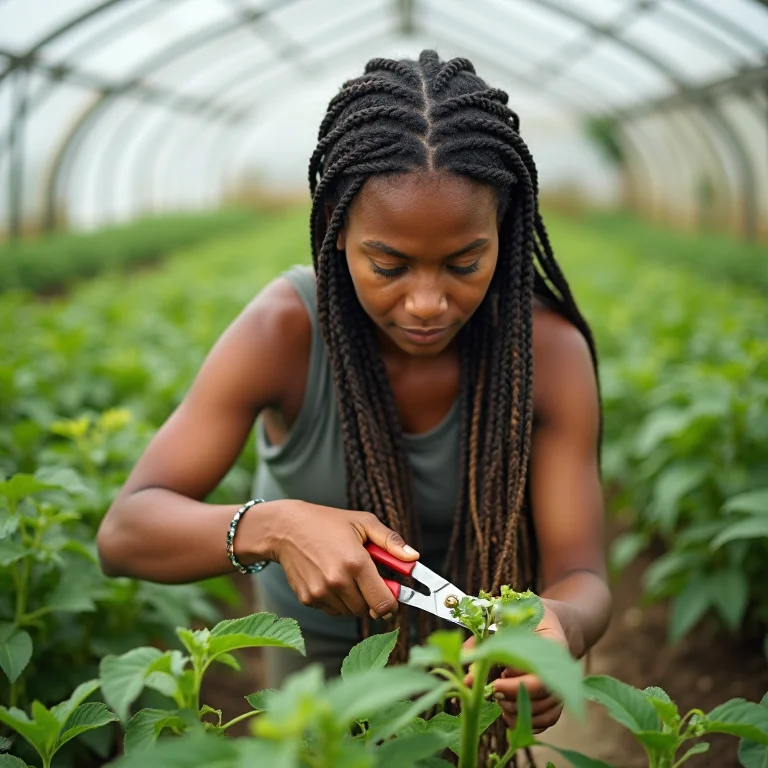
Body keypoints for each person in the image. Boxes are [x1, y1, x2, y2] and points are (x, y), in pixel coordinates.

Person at [97, 50, 611, 753]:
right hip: (312, 686)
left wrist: (562, 626)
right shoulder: (284, 332)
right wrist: (272, 526)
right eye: (389, 264)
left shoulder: (548, 355)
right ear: (337, 226)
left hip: (469, 686)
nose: (427, 303)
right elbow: (125, 532)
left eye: (465, 262)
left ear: (506, 229)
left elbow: (582, 574)